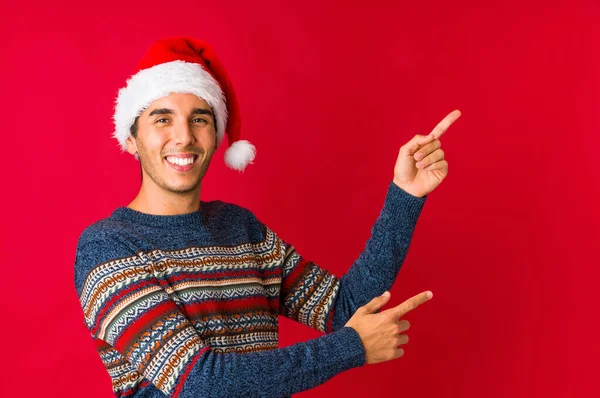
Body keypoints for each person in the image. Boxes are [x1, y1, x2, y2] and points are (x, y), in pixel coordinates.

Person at [73, 36, 461, 398]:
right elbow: (202, 382)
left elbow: (344, 310)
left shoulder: (241, 228)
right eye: (162, 119)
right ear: (130, 138)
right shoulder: (107, 247)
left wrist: (404, 196)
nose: (184, 137)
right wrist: (352, 347)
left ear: (216, 133)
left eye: (199, 119)